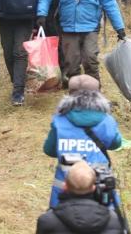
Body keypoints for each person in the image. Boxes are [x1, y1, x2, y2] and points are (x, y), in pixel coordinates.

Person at [42, 75, 123, 208]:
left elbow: (49, 150)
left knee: (60, 223)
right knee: (105, 221)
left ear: (69, 94)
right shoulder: (107, 121)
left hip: (65, 187)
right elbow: (116, 143)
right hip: (99, 186)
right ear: (98, 94)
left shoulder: (60, 120)